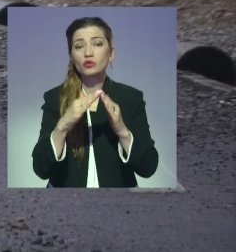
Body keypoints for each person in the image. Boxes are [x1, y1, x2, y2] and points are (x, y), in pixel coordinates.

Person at [31, 16, 159, 188]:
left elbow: (149, 168)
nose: (88, 53)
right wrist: (62, 126)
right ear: (71, 56)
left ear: (111, 53)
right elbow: (41, 169)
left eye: (97, 44)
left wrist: (122, 131)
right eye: (79, 46)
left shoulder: (131, 98)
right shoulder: (55, 97)